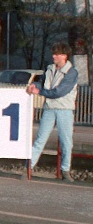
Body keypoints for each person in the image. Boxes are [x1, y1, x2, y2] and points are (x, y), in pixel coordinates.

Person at [28, 42, 79, 181]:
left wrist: (39, 92)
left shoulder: (71, 72)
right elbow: (43, 82)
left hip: (64, 110)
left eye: (57, 54)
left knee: (66, 142)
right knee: (40, 139)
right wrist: (34, 85)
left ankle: (65, 170)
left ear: (64, 56)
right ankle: (29, 167)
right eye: (54, 53)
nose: (54, 56)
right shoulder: (49, 69)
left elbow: (59, 92)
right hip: (49, 109)